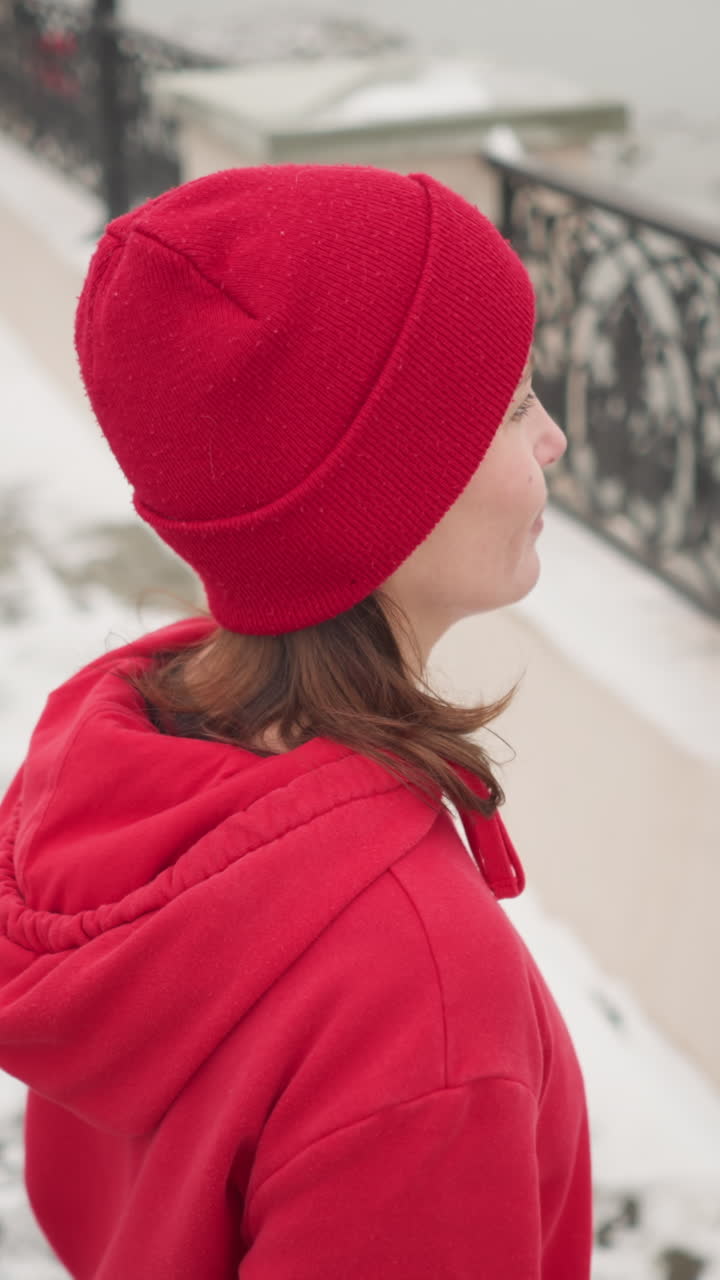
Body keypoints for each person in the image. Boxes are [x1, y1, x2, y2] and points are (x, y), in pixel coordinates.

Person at [0, 163, 591, 1278]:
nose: (552, 437)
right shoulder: (417, 999)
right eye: (513, 404)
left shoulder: (118, 766)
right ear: (379, 494)